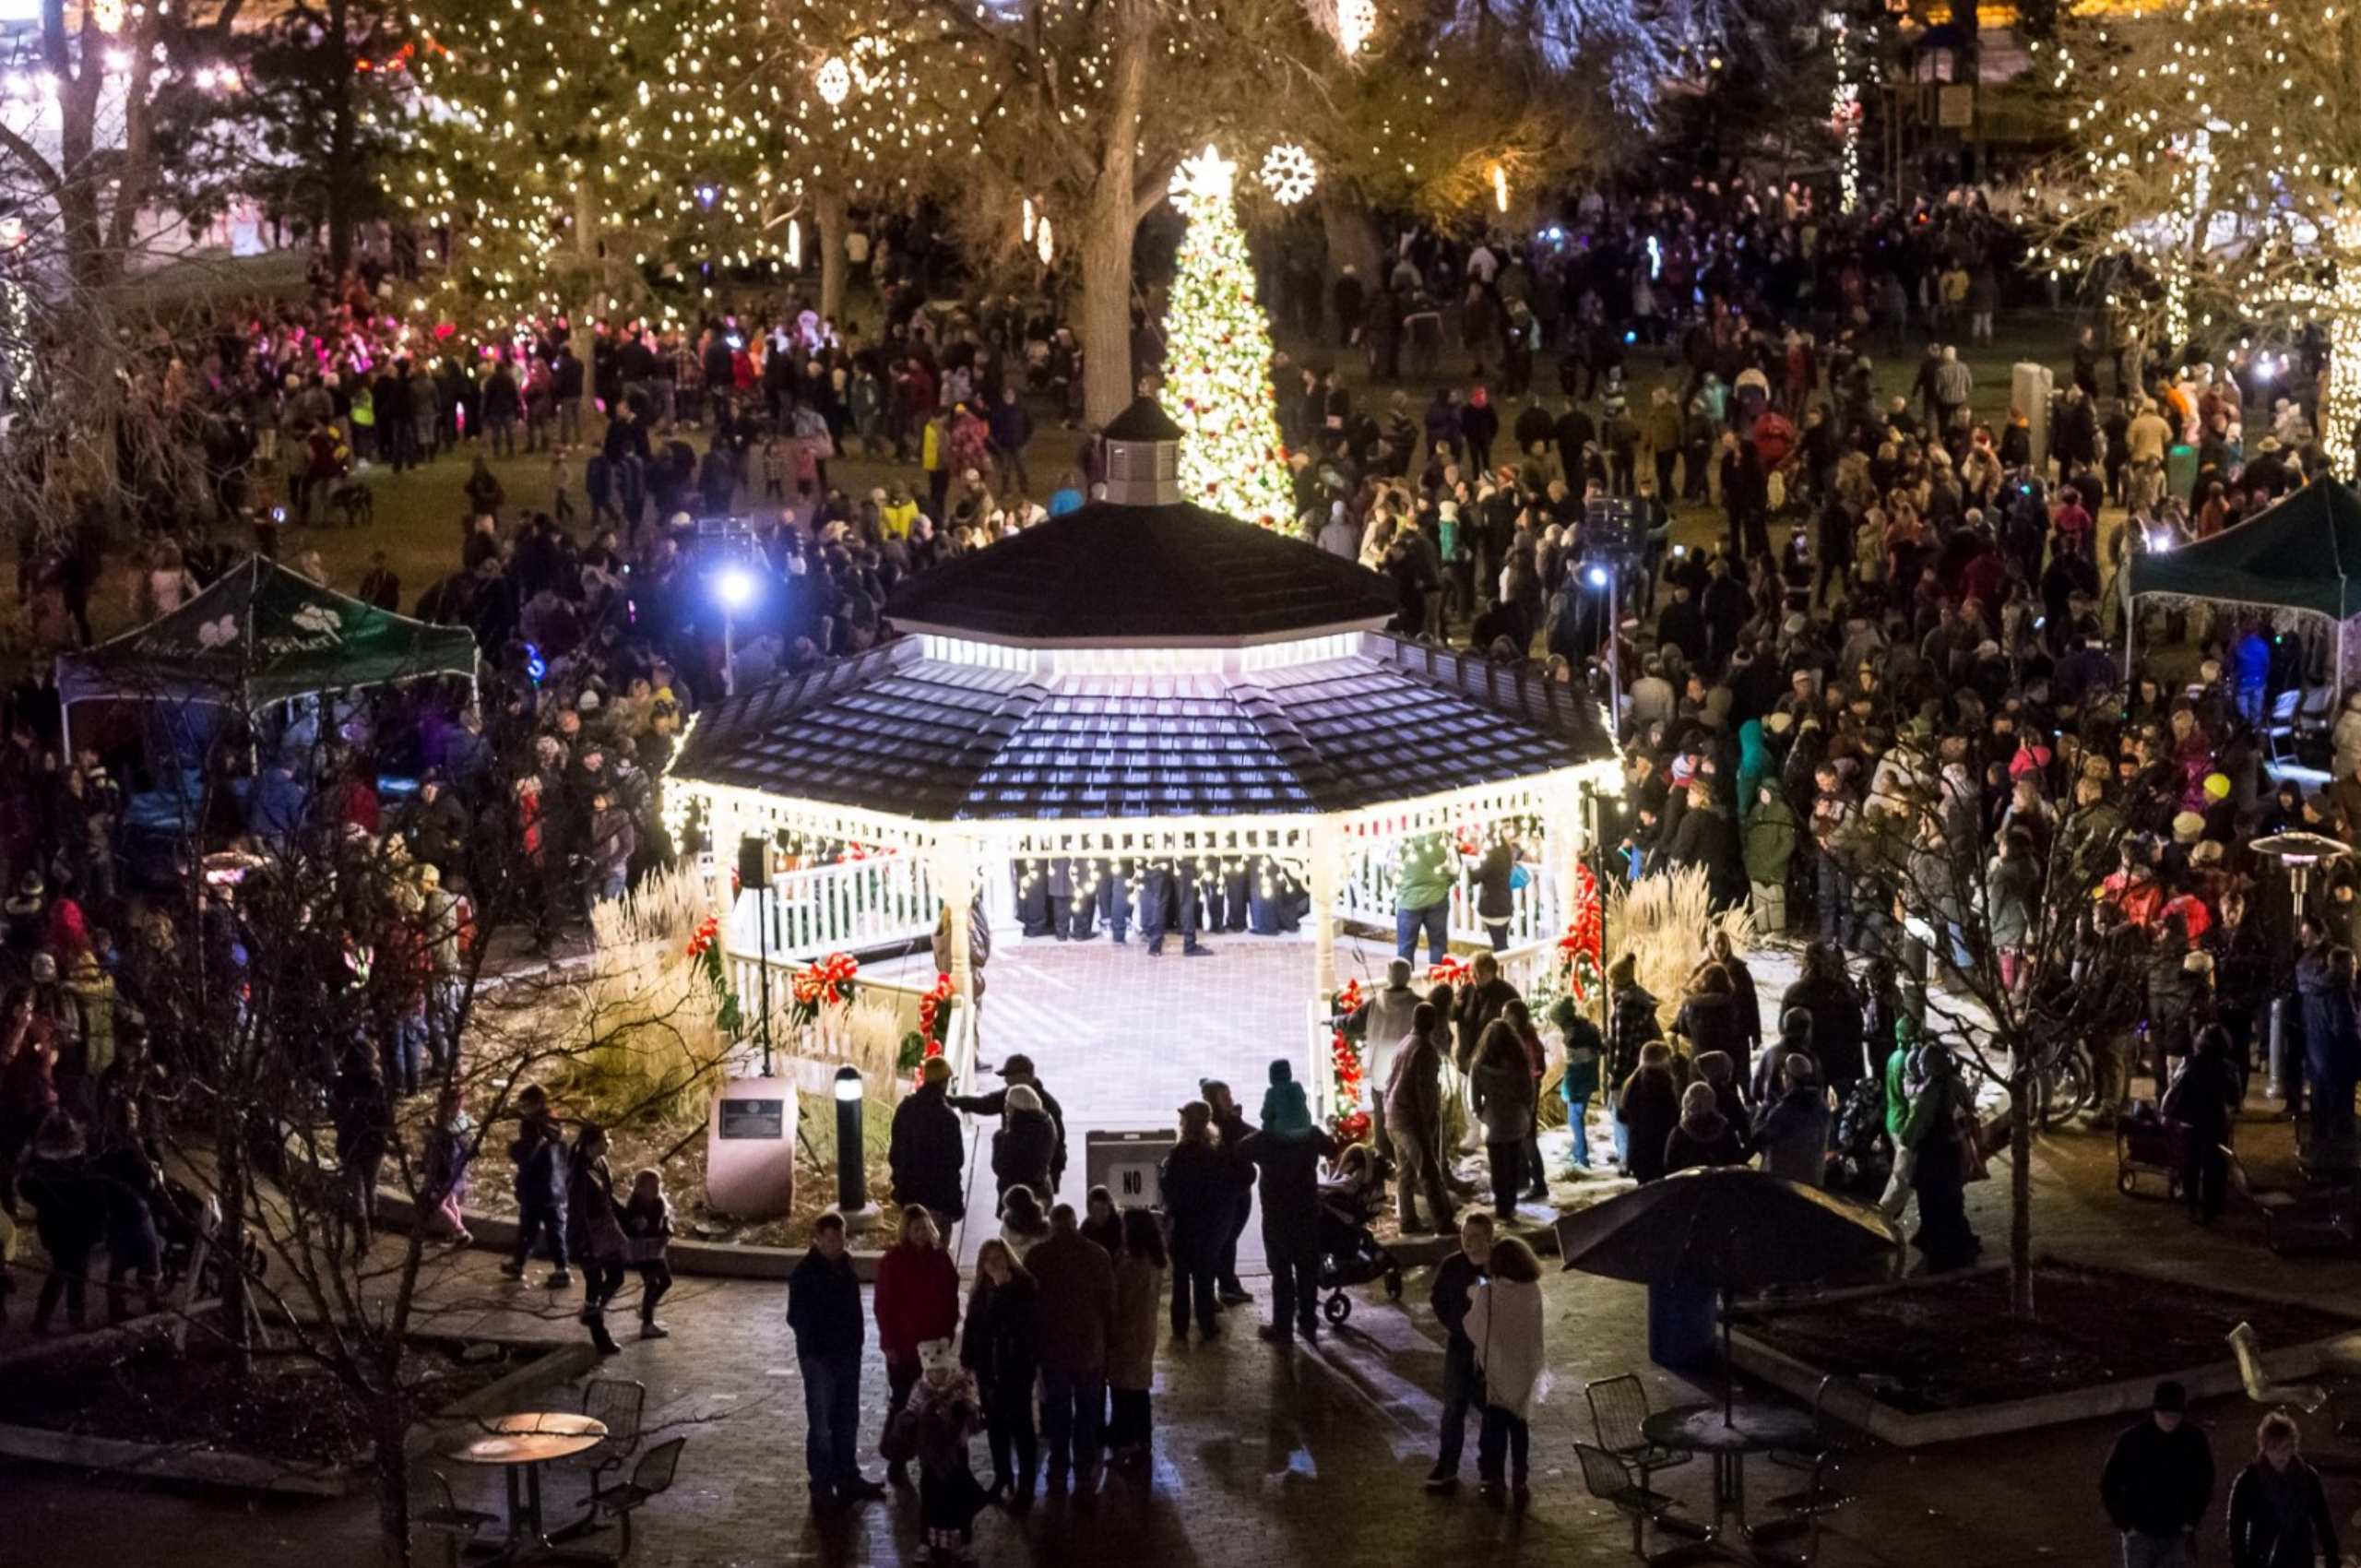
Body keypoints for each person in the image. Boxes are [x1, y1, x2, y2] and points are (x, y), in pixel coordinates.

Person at [786, 1212, 884, 1508]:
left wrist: (855, 1343)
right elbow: (797, 1318)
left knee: (846, 1418)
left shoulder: (845, 1266)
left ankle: (846, 1475)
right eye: (830, 1239)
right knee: (822, 1422)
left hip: (846, 1355)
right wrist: (819, 1349)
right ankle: (822, 1483)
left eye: (840, 1238)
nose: (836, 1245)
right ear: (818, 1239)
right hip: (821, 1359)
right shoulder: (805, 1273)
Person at [1239, 1060, 1337, 1345]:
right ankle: (1308, 1321)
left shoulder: (1264, 1141)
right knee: (1307, 1269)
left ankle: (1282, 1328)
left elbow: (1238, 1152)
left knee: (1282, 1272)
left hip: (1278, 1216)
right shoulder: (1311, 1136)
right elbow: (1331, 1149)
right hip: (1308, 1211)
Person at [1026, 1201, 1116, 1496]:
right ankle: (1083, 1468)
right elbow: (1109, 1305)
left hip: (1053, 1351)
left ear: (1051, 1225)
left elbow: (1031, 1305)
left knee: (1059, 1411)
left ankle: (1058, 1467)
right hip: (1090, 1348)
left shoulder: (1038, 1256)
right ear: (1076, 1223)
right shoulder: (1098, 1255)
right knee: (1089, 1412)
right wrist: (1108, 1342)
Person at [873, 1206, 962, 1486]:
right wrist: (889, 1344)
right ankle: (899, 1457)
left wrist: (948, 1333)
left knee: (935, 1406)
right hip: (905, 1348)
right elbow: (884, 1306)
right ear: (906, 1231)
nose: (922, 1234)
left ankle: (930, 1459)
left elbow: (951, 1300)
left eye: (925, 1228)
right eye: (916, 1229)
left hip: (935, 1350)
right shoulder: (893, 1262)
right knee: (903, 1405)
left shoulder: (941, 1261)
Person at [961, 1237, 1042, 1507]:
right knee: (995, 1426)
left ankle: (1026, 1486)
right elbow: (974, 1327)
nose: (994, 1265)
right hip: (989, 1369)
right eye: (988, 1260)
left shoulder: (1024, 1286)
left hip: (1015, 1367)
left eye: (998, 1258)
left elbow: (1017, 1326)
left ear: (1008, 1259)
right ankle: (1001, 1475)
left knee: (1021, 1426)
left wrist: (1004, 1291)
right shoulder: (980, 1291)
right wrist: (967, 1360)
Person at [1465, 1233, 1545, 1504]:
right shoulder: (1532, 1290)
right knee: (1519, 1427)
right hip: (1524, 1367)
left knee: (1494, 1429)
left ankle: (1494, 1479)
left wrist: (1474, 1292)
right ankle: (1520, 1479)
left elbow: (1473, 1325)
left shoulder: (1488, 1293)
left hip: (1497, 1372)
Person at [2101, 1380, 2214, 1568]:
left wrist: (2192, 1518)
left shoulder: (2193, 1439)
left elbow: (2205, 1480)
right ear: (2155, 1411)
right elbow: (2109, 1484)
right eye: (2166, 1415)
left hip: (2174, 1532)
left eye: (2175, 1416)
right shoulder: (2131, 1442)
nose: (2170, 1421)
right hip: (2144, 1533)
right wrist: (2125, 1524)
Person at [1424, 1211, 1494, 1494]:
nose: (1468, 1242)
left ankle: (1490, 1468)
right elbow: (1438, 1298)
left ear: (1489, 1238)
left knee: (1492, 1409)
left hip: (1490, 1350)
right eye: (1465, 1235)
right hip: (1461, 1346)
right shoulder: (1452, 1266)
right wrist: (1456, 1325)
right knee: (1454, 1406)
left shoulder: (1497, 1267)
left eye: (1475, 1236)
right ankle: (1447, 1464)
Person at [1158, 1100, 1239, 1342]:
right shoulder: (1215, 1152)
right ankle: (1207, 1325)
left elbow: (1168, 1186)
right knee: (1204, 1278)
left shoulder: (1179, 1153)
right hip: (1207, 1226)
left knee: (1181, 1280)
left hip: (1182, 1225)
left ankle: (1180, 1327)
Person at [2226, 1411, 2338, 1568]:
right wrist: (2241, 1562)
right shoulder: (2249, 1481)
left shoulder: (2307, 1477)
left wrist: (2332, 1557)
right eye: (2274, 1448)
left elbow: (2323, 1520)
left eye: (2286, 1447)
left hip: (2299, 1558)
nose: (2281, 1454)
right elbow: (2236, 1527)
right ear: (2264, 1449)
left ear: (2293, 1448)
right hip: (2262, 1559)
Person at [950, 1053, 1068, 1198]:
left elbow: (1058, 1148)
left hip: (1023, 1190)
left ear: (1023, 1077)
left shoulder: (1041, 1105)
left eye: (1009, 1076)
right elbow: (985, 1104)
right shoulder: (1017, 1098)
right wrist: (954, 1101)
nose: (1005, 1080)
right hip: (1036, 1189)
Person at [2162, 1024, 2243, 1223]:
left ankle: (2191, 1205)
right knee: (2215, 1166)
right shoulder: (2229, 1068)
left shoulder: (2189, 1063)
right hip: (2216, 1123)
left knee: (2191, 1165)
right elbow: (2235, 1097)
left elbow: (2174, 1090)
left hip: (2191, 1123)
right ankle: (2211, 1208)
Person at [1383, 1004, 1453, 1231]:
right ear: (1432, 1023)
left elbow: (1390, 1081)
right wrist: (1429, 1123)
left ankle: (1408, 1221)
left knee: (1405, 1173)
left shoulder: (1405, 1043)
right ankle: (1443, 1223)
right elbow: (1426, 1092)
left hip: (1393, 1115)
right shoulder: (1424, 1049)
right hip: (1410, 1119)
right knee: (1428, 1173)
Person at [1107, 1207, 1167, 1467]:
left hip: (1126, 1333)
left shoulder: (1131, 1264)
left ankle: (1126, 1442)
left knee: (1123, 1390)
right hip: (1145, 1331)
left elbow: (1117, 1297)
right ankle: (1143, 1439)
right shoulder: (1155, 1261)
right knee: (1139, 1388)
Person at [566, 1121, 627, 1356]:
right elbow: (576, 1210)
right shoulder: (579, 1173)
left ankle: (592, 1314)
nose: (609, 1143)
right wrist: (580, 1243)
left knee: (615, 1276)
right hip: (588, 1236)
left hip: (603, 1230)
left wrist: (626, 1217)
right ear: (593, 1143)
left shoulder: (599, 1164)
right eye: (605, 1139)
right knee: (594, 1282)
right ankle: (599, 1333)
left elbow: (607, 1198)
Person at [501, 1083, 570, 1289]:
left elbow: (527, 1153)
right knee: (551, 1229)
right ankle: (558, 1267)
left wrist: (513, 1149)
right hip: (554, 1188)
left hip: (537, 1188)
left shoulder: (536, 1127)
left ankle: (527, 1265)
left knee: (531, 1229)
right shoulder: (553, 1126)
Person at [889, 1056, 967, 1238]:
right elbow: (956, 1160)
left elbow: (896, 1154)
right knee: (936, 1253)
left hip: (910, 1197)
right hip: (939, 1198)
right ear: (944, 1083)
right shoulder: (948, 1118)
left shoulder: (905, 1109)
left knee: (911, 1250)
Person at [1469, 1018, 1536, 1219]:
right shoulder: (1520, 1063)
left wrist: (1481, 1115)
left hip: (1493, 1121)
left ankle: (1501, 1205)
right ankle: (1512, 1201)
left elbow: (1473, 1098)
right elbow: (1528, 1092)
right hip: (1516, 1118)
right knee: (1514, 1161)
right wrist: (1527, 1112)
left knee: (1497, 1164)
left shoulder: (1479, 1065)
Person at [1752, 1055, 1833, 1186]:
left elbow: (1760, 1139)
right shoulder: (1822, 1107)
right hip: (1814, 1180)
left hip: (1785, 1184)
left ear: (1787, 1077)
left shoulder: (1783, 1111)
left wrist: (1763, 1111)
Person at [1550, 991, 1606, 1172]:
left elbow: (1576, 1065)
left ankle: (1582, 1157)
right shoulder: (1588, 1026)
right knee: (1576, 1117)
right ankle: (1577, 1150)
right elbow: (1600, 1049)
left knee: (1575, 1119)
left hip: (1578, 1082)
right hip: (1589, 1079)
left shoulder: (1573, 1036)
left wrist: (1568, 1088)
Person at [1617, 1040, 1682, 1183]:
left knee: (1644, 1188)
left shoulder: (1632, 1082)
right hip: (1659, 1149)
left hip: (1638, 1150)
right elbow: (1673, 1116)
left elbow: (1621, 1115)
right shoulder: (1664, 1082)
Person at [621, 1167, 673, 1339]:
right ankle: (647, 1321)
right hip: (642, 1249)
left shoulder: (659, 1202)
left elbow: (665, 1221)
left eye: (658, 1185)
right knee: (654, 1282)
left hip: (655, 1248)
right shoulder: (636, 1205)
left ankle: (647, 1312)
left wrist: (666, 1232)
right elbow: (629, 1226)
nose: (656, 1189)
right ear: (640, 1188)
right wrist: (637, 1226)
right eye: (652, 1186)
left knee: (663, 1281)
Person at [991, 1083, 1058, 1202]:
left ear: (1017, 1107)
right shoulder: (1046, 1123)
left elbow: (1000, 1167)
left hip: (1016, 1197)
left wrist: (999, 1139)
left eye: (1008, 1104)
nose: (1005, 1108)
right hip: (1042, 1190)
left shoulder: (1013, 1136)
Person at [1665, 1080, 1747, 1172]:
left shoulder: (1679, 1134)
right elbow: (1738, 1160)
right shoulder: (1725, 1130)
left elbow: (1669, 1165)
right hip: (1721, 1184)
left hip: (1689, 1185)